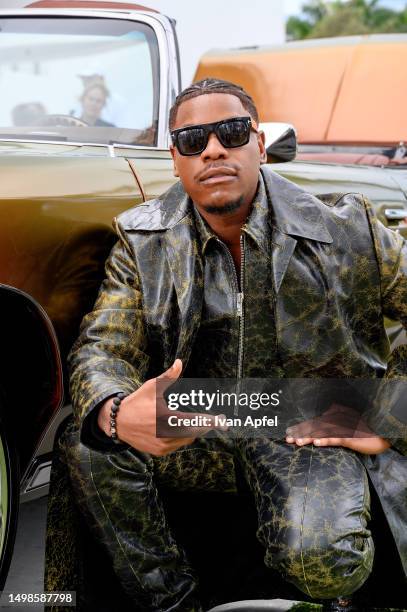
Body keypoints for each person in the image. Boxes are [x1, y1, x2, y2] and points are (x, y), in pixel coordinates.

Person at [56, 78, 406, 611]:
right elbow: (103, 345)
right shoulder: (141, 239)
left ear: (259, 144)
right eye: (193, 140)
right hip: (203, 409)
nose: (213, 148)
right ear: (176, 159)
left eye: (232, 131)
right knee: (89, 444)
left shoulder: (348, 226)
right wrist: (116, 409)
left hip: (304, 414)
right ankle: (176, 604)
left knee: (327, 562)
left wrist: (386, 416)